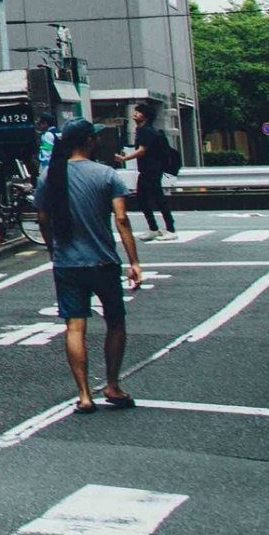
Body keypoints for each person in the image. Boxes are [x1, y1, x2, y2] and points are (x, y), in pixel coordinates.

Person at [35, 117, 142, 414]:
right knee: (115, 321)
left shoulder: (50, 176)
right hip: (103, 260)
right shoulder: (107, 175)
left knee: (74, 326)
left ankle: (84, 394)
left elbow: (43, 218)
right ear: (89, 141)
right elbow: (121, 220)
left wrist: (51, 247)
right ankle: (112, 384)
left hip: (67, 262)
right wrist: (134, 261)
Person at [117, 99, 176, 240]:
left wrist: (125, 159)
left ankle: (170, 229)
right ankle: (154, 228)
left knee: (157, 199)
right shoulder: (143, 130)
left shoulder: (145, 131)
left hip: (152, 170)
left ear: (145, 116)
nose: (135, 114)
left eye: (138, 112)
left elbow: (142, 151)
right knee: (143, 200)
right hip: (147, 170)